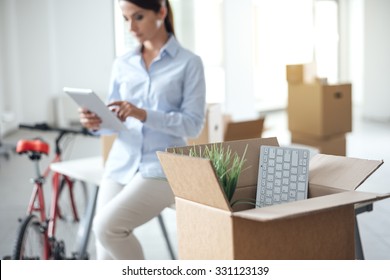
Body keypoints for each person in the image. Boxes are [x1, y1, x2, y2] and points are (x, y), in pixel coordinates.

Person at [79, 0, 206, 260]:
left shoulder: (189, 63)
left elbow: (193, 124)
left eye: (138, 17)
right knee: (105, 253)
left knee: (106, 228)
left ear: (161, 11)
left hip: (164, 166)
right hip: (121, 162)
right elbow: (116, 119)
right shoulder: (123, 63)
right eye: (126, 19)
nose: (131, 27)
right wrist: (96, 123)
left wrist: (143, 114)